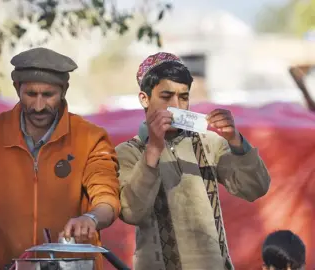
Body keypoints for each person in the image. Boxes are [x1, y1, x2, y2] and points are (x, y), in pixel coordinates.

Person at [0, 47, 121, 269]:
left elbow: (107, 199)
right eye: (31, 94)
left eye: (48, 95)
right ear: (17, 89)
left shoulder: (91, 137)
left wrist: (90, 219)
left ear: (64, 90)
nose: (38, 106)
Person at [115, 52, 271, 270]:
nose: (177, 105)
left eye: (184, 97)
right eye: (166, 96)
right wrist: (153, 151)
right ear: (144, 98)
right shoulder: (127, 152)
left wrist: (236, 142)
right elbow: (132, 211)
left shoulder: (209, 143)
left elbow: (254, 188)